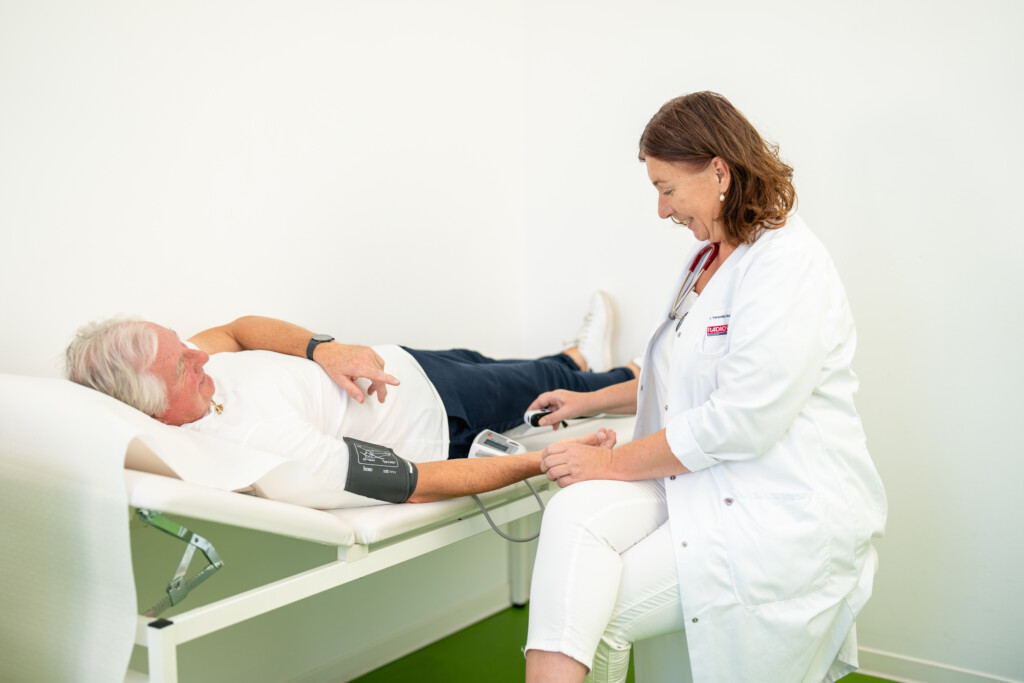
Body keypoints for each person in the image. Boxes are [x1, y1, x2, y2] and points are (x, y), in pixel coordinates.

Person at [523, 92, 887, 683]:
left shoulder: (787, 264)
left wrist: (608, 465)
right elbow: (677, 375)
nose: (660, 209)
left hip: (773, 506)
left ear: (719, 171)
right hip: (699, 483)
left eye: (666, 188)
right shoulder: (706, 260)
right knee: (572, 514)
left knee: (595, 615)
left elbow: (740, 420)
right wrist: (589, 400)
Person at [65, 295, 635, 507]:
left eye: (183, 343)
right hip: (441, 416)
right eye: (183, 367)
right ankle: (632, 373)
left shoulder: (185, 366)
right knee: (539, 383)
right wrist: (542, 461)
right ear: (154, 408)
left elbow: (238, 329)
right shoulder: (263, 449)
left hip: (401, 365)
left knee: (500, 363)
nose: (200, 356)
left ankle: (576, 357)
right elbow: (416, 483)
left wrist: (326, 350)